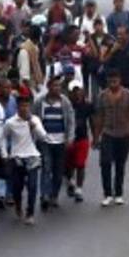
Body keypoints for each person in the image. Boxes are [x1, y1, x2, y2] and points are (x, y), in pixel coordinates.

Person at [94, 68, 129, 206]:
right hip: (108, 133)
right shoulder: (102, 96)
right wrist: (96, 137)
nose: (113, 84)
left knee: (120, 164)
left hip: (124, 134)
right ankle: (107, 194)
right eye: (110, 81)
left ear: (120, 80)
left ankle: (118, 193)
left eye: (115, 81)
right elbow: (99, 117)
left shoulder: (128, 95)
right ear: (107, 81)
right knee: (105, 163)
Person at [2, 92, 47, 225]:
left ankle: (30, 213)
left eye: (27, 106)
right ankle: (18, 205)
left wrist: (34, 126)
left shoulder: (35, 120)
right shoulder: (10, 122)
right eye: (22, 106)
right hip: (17, 157)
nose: (24, 108)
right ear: (17, 107)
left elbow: (43, 136)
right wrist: (4, 154)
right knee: (17, 186)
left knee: (32, 186)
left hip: (32, 156)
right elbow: (3, 138)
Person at [37, 76, 75, 212]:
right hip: (45, 141)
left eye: (59, 86)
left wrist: (70, 138)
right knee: (46, 167)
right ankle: (44, 195)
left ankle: (54, 195)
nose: (57, 88)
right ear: (49, 87)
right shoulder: (40, 101)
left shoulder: (65, 102)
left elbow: (71, 121)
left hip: (61, 142)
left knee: (58, 170)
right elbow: (34, 119)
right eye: (54, 86)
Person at [65, 80, 94, 202]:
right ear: (69, 93)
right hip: (68, 139)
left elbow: (92, 120)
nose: (77, 93)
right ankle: (70, 180)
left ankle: (79, 189)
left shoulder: (87, 105)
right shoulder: (65, 105)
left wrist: (96, 137)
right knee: (68, 165)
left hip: (82, 139)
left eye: (79, 90)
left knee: (80, 164)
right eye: (74, 91)